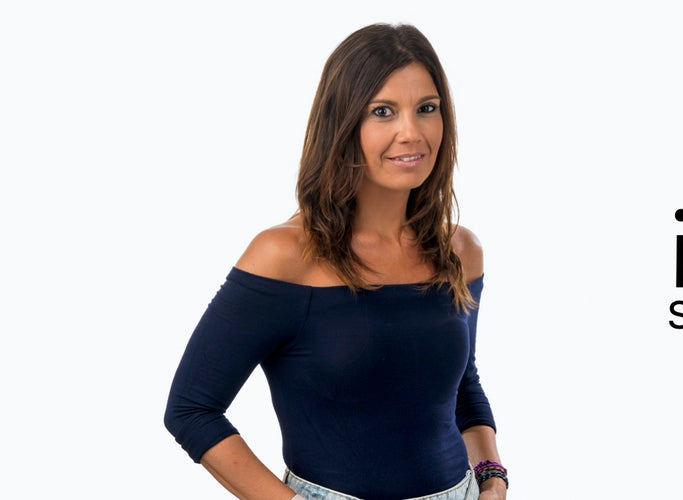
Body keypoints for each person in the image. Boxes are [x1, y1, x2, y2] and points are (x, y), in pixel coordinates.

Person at [163, 23, 506, 500]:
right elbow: (191, 409)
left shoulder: (459, 250)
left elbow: (462, 384)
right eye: (383, 112)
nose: (411, 132)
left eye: (427, 109)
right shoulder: (286, 255)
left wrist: (492, 476)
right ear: (343, 124)